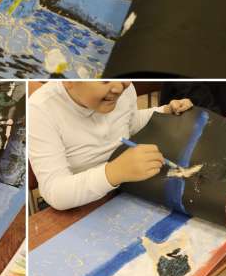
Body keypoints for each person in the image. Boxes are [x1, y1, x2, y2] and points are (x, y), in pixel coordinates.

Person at [29, 81, 193, 210]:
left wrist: (164, 111)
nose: (119, 87)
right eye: (105, 80)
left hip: (127, 194)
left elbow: (130, 122)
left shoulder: (125, 91)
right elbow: (55, 191)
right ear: (68, 81)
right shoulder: (41, 109)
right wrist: (112, 173)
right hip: (81, 206)